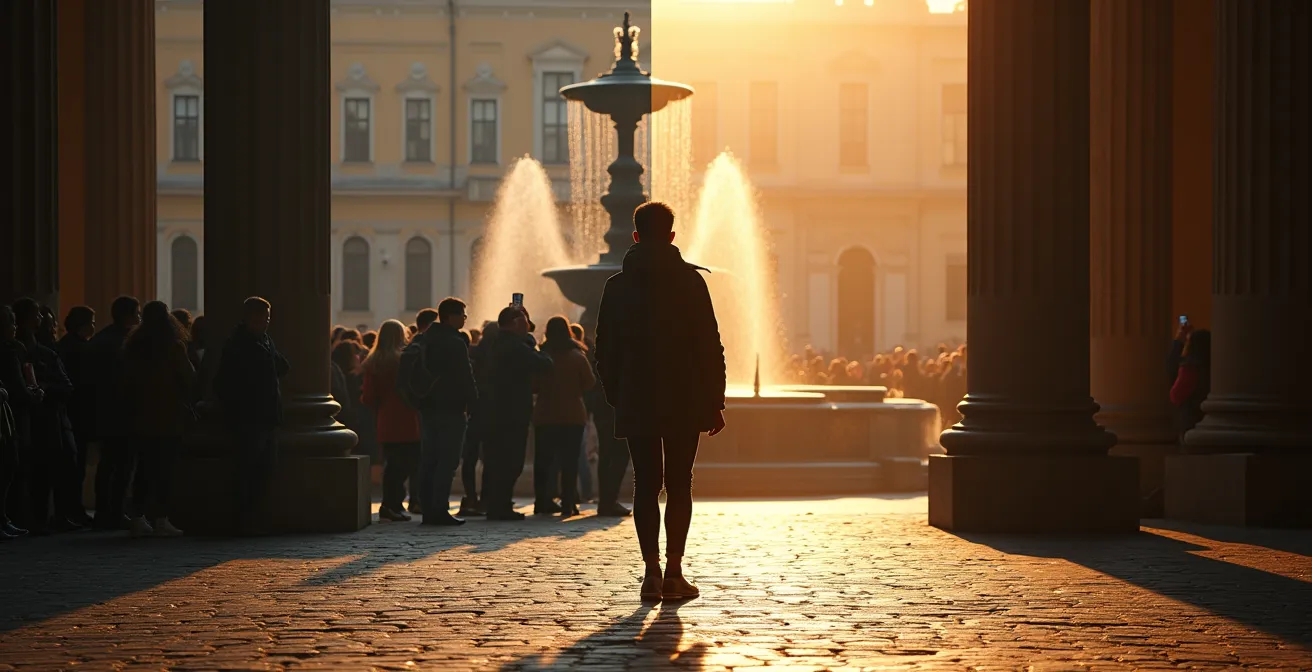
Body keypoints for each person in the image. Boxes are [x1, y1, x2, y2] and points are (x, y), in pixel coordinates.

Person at [595, 201, 726, 602]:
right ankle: (674, 572)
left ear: (635, 236)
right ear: (672, 236)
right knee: (679, 484)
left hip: (637, 398)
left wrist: (619, 395)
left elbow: (604, 352)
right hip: (685, 399)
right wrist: (714, 399)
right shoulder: (691, 282)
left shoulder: (616, 287)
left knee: (645, 485)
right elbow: (710, 345)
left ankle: (650, 572)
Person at [213, 297, 289, 533]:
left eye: (267, 318)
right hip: (248, 418)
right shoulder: (237, 345)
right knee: (246, 469)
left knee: (265, 469)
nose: (265, 322)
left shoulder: (265, 341)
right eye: (261, 318)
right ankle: (242, 519)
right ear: (247, 317)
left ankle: (255, 517)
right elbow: (224, 383)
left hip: (266, 417)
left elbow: (282, 366)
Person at [121, 301, 195, 537]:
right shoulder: (173, 347)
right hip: (169, 416)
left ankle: (137, 517)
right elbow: (189, 377)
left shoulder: (134, 346)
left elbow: (126, 382)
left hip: (140, 417)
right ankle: (161, 519)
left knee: (143, 468)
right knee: (165, 469)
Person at [14, 297, 78, 534]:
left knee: (42, 473)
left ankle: (38, 518)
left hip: (39, 420)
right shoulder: (44, 353)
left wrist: (46, 388)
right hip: (42, 421)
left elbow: (66, 387)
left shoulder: (45, 353)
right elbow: (67, 387)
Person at [483, 305, 553, 520]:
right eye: (524, 322)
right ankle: (500, 506)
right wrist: (532, 342)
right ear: (514, 323)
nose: (527, 327)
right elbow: (545, 364)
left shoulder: (495, 343)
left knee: (497, 460)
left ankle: (496, 504)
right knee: (511, 461)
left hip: (495, 411)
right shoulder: (515, 346)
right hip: (512, 413)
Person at [413, 297, 477, 526]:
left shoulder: (426, 338)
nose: (464, 319)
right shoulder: (455, 342)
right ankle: (439, 508)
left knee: (429, 458)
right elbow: (465, 375)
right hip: (451, 407)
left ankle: (428, 508)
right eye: (462, 315)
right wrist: (474, 402)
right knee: (447, 461)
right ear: (451, 316)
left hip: (428, 406)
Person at [86, 296, 142, 531]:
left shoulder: (99, 339)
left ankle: (103, 512)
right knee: (123, 466)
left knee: (107, 465)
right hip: (123, 413)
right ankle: (116, 512)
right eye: (137, 313)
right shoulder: (125, 342)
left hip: (103, 411)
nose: (139, 318)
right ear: (128, 315)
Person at [532, 316, 596, 517]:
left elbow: (533, 385)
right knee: (570, 460)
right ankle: (569, 502)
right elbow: (589, 383)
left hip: (545, 413)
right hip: (572, 414)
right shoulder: (577, 356)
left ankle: (542, 500)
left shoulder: (541, 356)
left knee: (543, 461)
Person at [361, 320, 421, 522]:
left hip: (385, 419)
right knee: (406, 463)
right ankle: (394, 504)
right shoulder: (403, 360)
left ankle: (391, 504)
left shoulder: (373, 362)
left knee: (392, 464)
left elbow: (368, 397)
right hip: (407, 417)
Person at [57, 306, 96, 526]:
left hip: (70, 413)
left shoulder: (63, 346)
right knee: (75, 466)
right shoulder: (82, 350)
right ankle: (72, 510)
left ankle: (70, 510)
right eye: (92, 321)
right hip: (79, 414)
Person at [0, 306, 36, 540]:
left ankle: (4, 518)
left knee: (10, 467)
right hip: (8, 416)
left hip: (8, 416)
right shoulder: (9, 351)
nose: (14, 327)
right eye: (10, 323)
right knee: (7, 466)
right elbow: (15, 388)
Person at [458, 320, 499, 517]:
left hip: (474, 412)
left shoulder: (473, 353)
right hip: (493, 413)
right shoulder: (500, 356)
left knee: (470, 458)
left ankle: (470, 496)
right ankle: (486, 498)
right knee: (491, 458)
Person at [1169, 320, 1211, 441]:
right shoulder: (1217, 369)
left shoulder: (1190, 369)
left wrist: (1178, 342)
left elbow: (1175, 395)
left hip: (1191, 426)